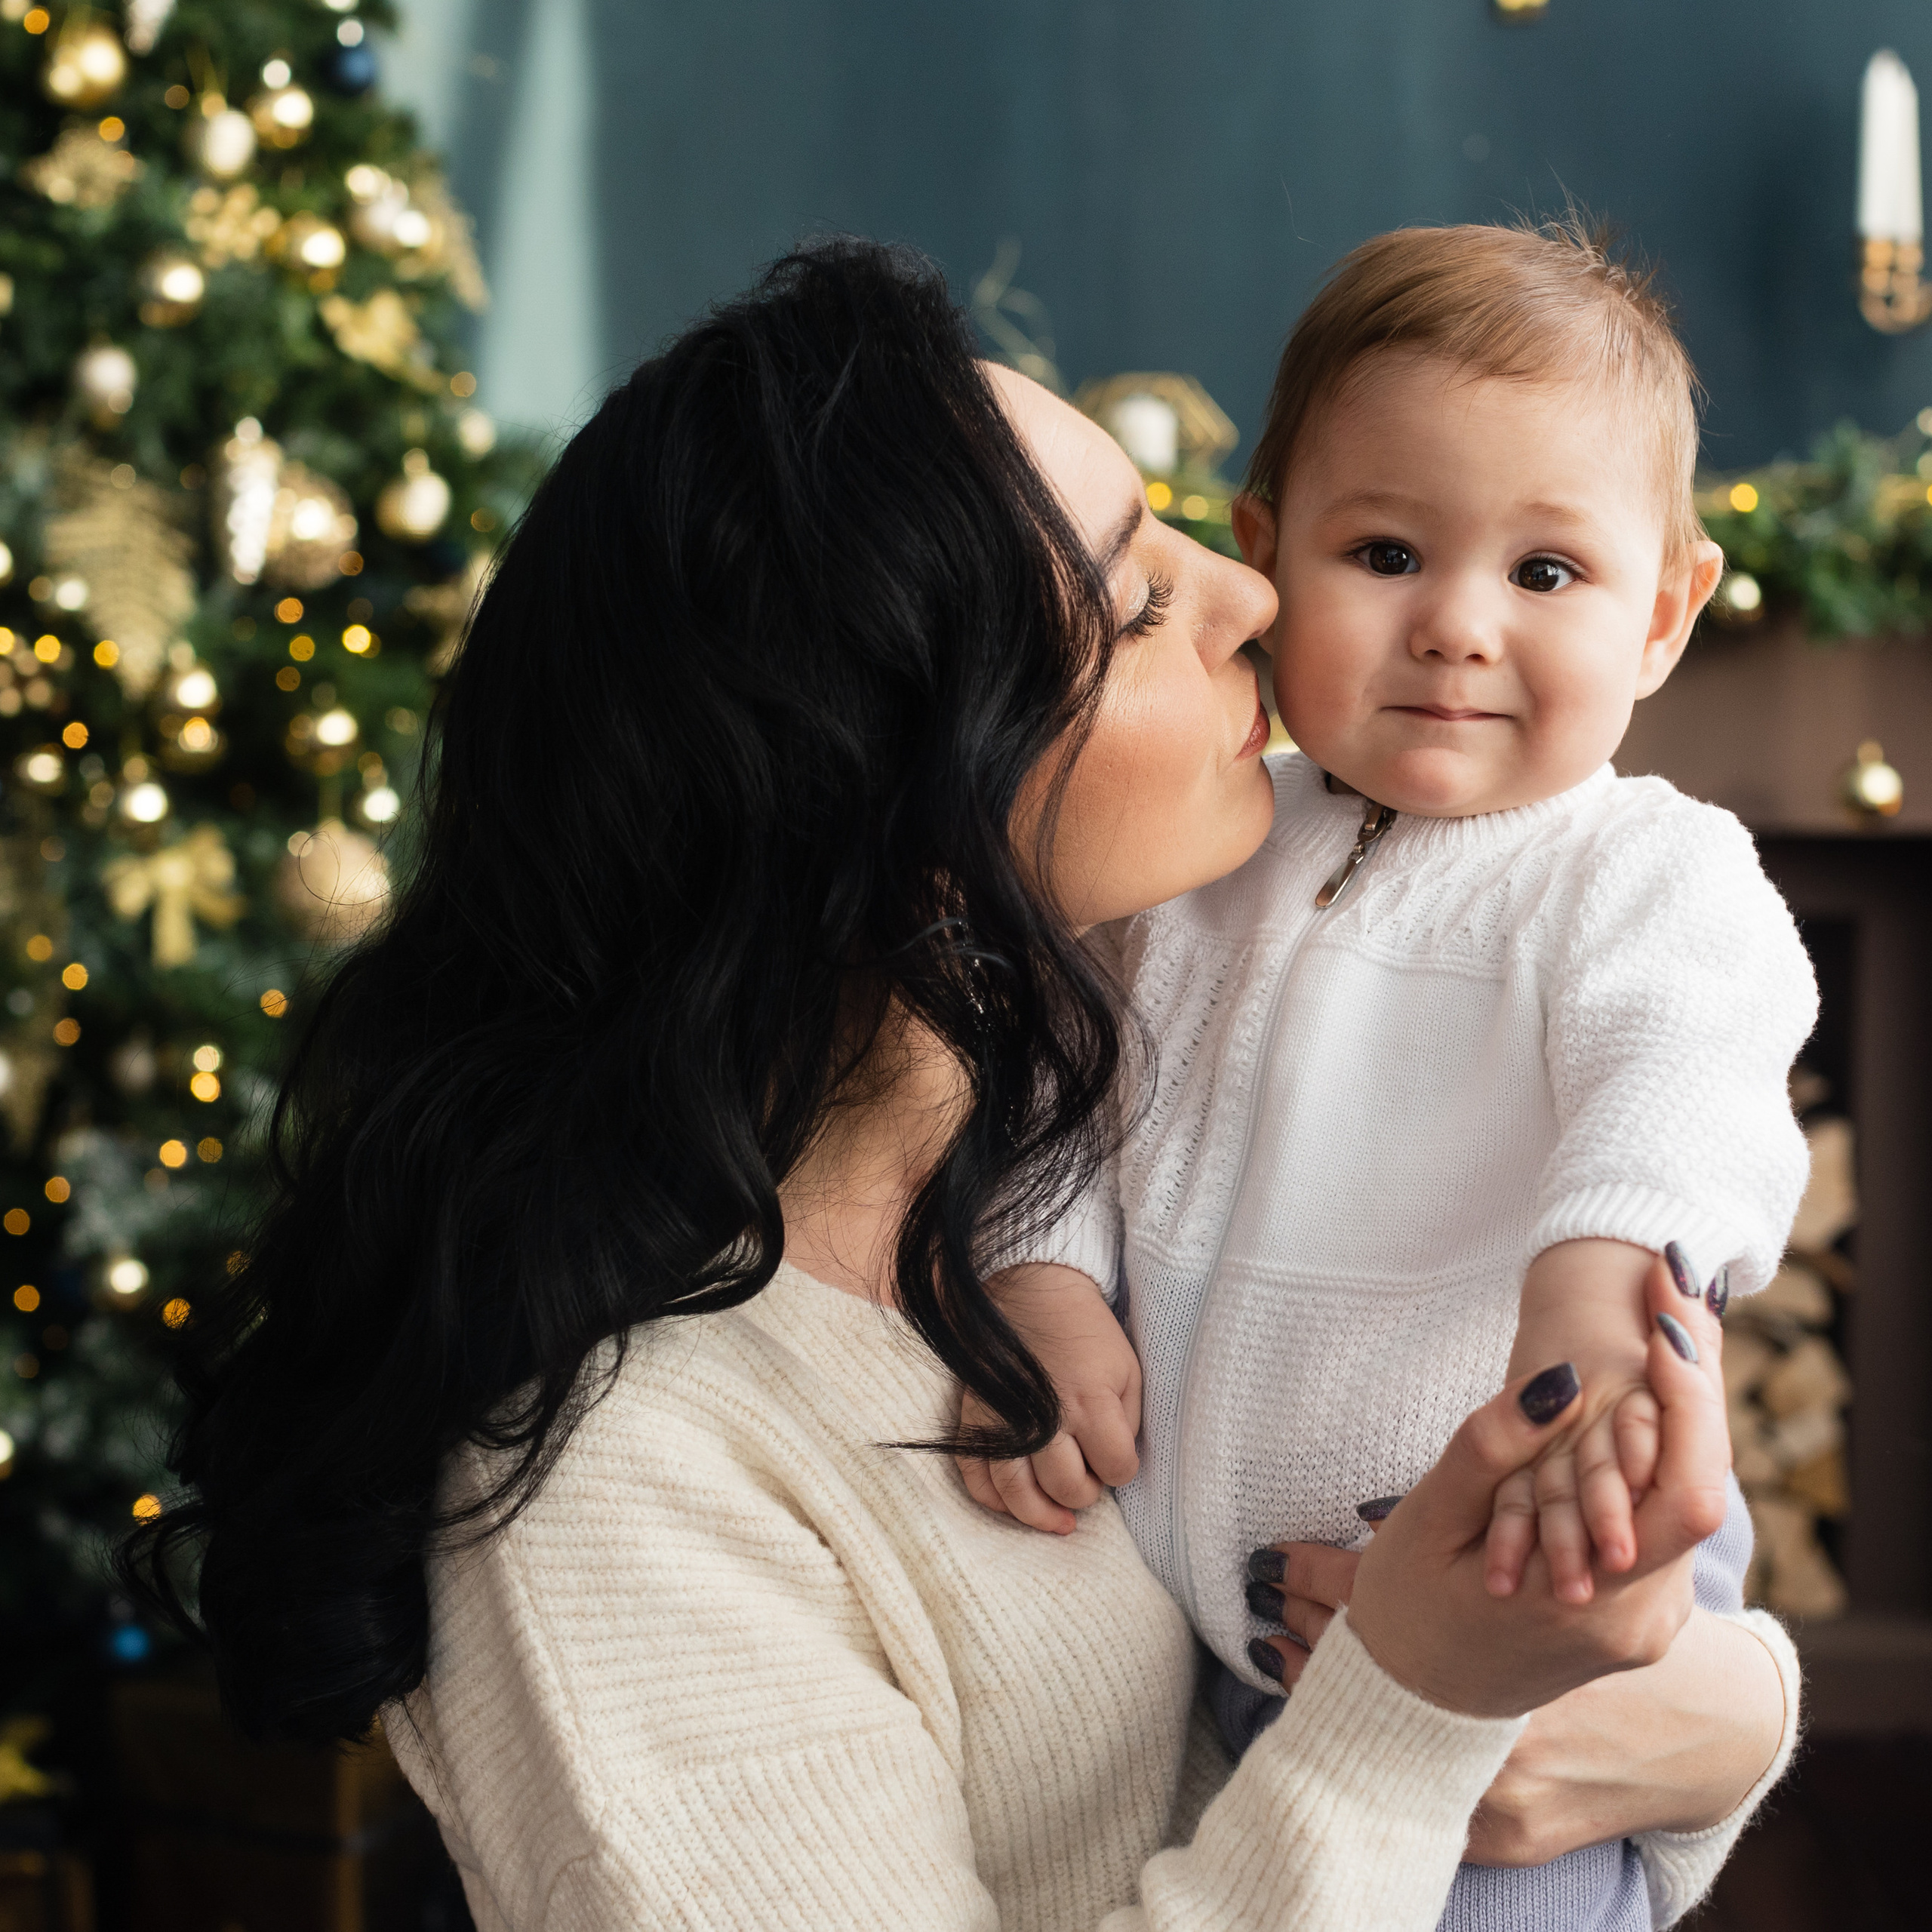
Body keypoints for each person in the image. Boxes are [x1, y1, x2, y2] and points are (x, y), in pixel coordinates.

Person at [123, 240, 1792, 1931]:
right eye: (1138, 596)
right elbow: (1376, 1751)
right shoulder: (616, 1493)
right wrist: (1412, 1709)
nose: (1253, 594)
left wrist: (1725, 1711)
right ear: (897, 797)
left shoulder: (1028, 1149)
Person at [961, 220, 1811, 1927]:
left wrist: (1597, 1286)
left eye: (1544, 575)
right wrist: (1040, 1285)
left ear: (1662, 611)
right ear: (1266, 554)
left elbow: (1686, 1078)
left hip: (1533, 1559)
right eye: (1385, 551)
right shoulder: (1202, 850)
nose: (1454, 628)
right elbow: (1063, 1080)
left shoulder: (1647, 875)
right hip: (1237, 1606)